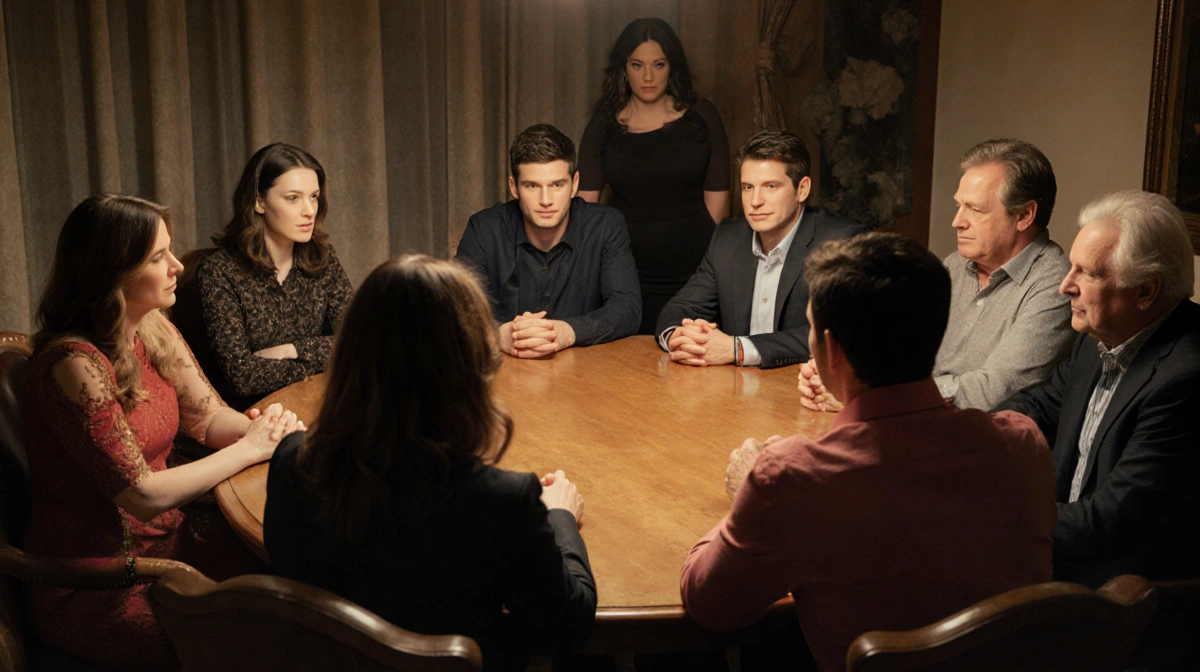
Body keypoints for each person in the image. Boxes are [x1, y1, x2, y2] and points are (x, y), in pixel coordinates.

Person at [680, 232, 1056, 672]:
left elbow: (710, 603)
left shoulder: (794, 479)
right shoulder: (1022, 444)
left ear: (830, 350)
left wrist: (754, 486)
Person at [264, 255, 597, 669]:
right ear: (469, 370)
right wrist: (560, 516)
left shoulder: (292, 461)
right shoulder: (502, 502)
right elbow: (569, 625)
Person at [22, 195, 301, 669]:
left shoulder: (151, 326)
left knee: (303, 582)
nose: (176, 265)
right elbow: (142, 494)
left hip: (172, 541)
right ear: (111, 271)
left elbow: (208, 418)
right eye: (157, 257)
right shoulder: (73, 364)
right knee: (259, 640)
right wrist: (251, 448)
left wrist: (272, 429)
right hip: (101, 578)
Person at [993, 190, 1200, 588]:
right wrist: (963, 433)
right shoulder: (1099, 337)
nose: (1064, 286)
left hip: (1129, 596)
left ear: (1145, 291)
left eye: (1086, 273)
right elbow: (1039, 404)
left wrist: (997, 523)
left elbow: (1114, 520)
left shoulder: (1186, 376)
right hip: (1071, 555)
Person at [799, 138, 1073, 412]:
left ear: (1024, 215)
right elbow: (899, 353)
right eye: (958, 206)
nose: (957, 222)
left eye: (975, 210)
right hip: (922, 422)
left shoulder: (1055, 285)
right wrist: (837, 373)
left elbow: (997, 390)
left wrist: (871, 397)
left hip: (989, 444)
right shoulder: (955, 265)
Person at [656, 130, 865, 369]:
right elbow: (680, 307)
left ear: (802, 189)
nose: (755, 201)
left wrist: (738, 349)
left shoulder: (841, 242)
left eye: (770, 186)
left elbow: (840, 332)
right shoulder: (727, 238)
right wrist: (679, 337)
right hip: (733, 392)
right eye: (747, 187)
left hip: (799, 391)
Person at [578, 17, 731, 334]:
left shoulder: (703, 116)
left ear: (672, 66)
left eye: (658, 65)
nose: (648, 77)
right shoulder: (602, 126)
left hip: (695, 273)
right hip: (625, 274)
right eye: (637, 65)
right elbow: (585, 214)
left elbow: (718, 210)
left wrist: (706, 275)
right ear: (623, 68)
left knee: (693, 363)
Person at [456, 124, 641, 355]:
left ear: (574, 184)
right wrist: (495, 334)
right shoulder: (484, 229)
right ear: (514, 187)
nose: (546, 200)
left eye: (557, 185)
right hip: (506, 372)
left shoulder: (605, 227)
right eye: (532, 186)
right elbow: (455, 307)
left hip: (585, 373)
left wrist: (567, 331)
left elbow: (627, 308)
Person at [195, 142, 352, 409]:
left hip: (321, 405)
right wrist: (322, 361)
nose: (309, 210)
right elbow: (242, 376)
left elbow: (358, 344)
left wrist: (293, 350)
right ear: (259, 201)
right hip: (256, 417)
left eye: (313, 196)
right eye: (293, 198)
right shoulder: (220, 272)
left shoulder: (323, 259)